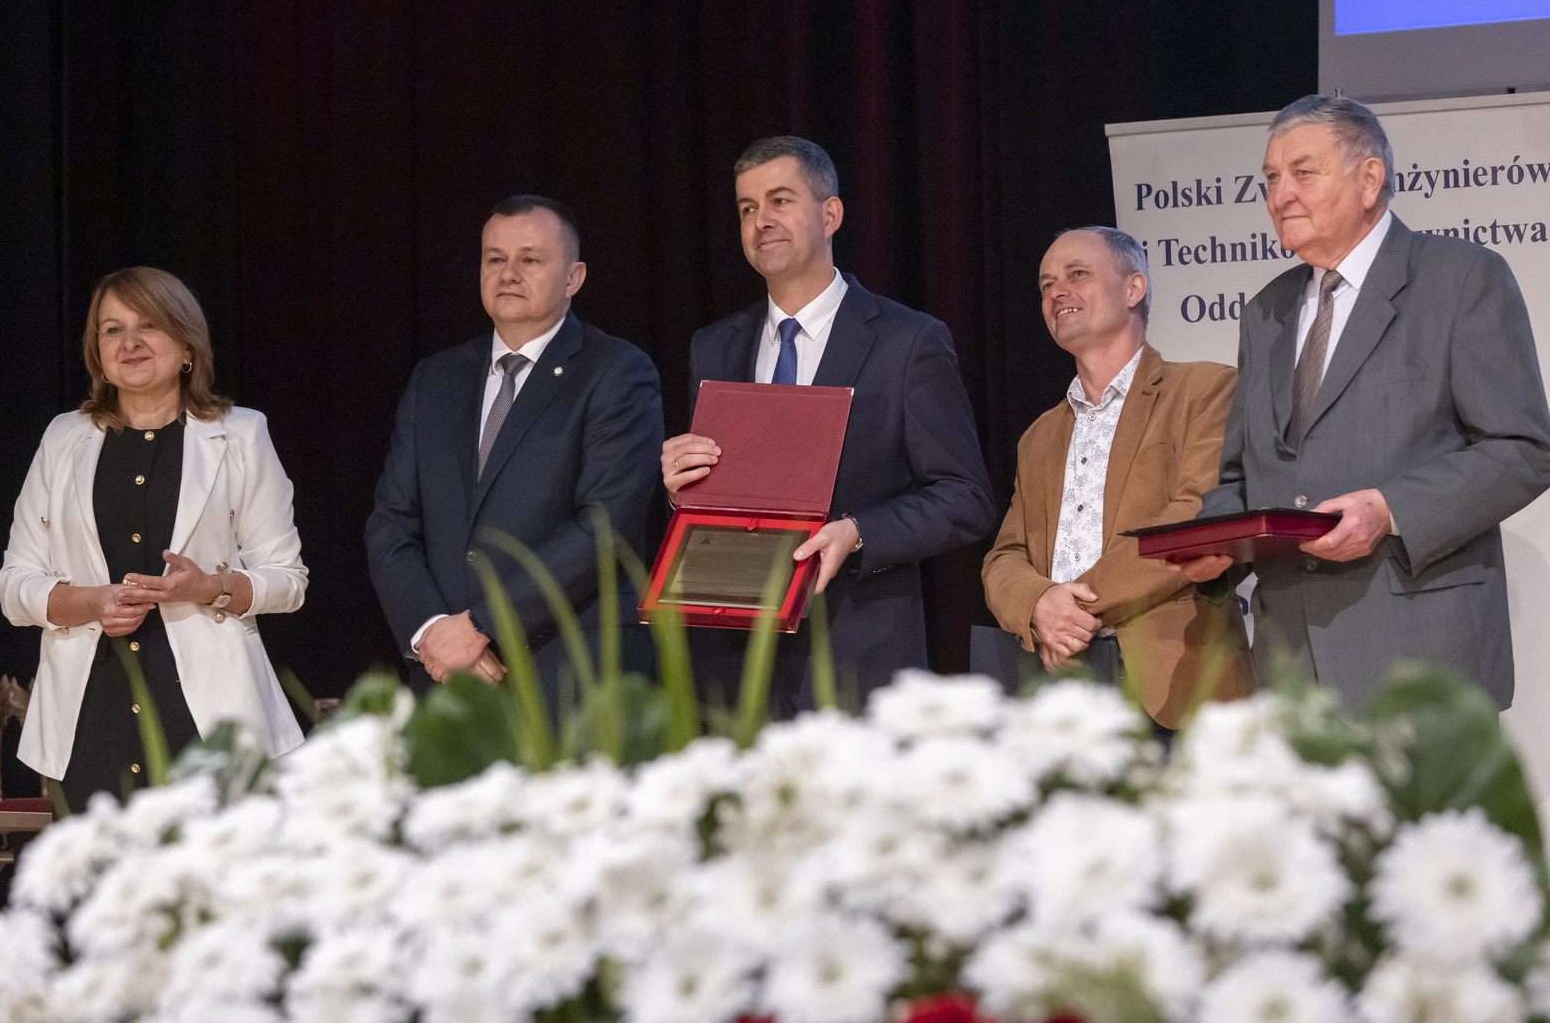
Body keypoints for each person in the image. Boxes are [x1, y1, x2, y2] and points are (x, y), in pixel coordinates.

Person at [1172, 95, 1550, 710]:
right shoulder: (1265, 312)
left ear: (1370, 179)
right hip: (1291, 664)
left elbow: (1523, 449)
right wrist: (1217, 543)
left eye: (1302, 172)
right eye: (1270, 178)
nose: (1280, 195)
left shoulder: (1461, 277)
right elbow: (1241, 476)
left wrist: (1389, 510)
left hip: (1420, 657)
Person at [661, 136, 996, 713]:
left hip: (856, 656)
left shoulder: (907, 340)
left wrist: (858, 532)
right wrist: (681, 489)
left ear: (831, 214)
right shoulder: (713, 347)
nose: (762, 221)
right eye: (747, 208)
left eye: (780, 200)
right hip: (735, 667)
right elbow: (719, 495)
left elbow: (965, 497)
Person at [0, 267, 307, 811]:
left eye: (150, 325)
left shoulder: (242, 434)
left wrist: (210, 587)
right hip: (89, 719)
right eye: (112, 330)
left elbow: (288, 581)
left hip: (210, 720)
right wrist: (91, 602)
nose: (130, 342)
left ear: (187, 346)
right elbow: (14, 585)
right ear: (97, 352)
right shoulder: (62, 438)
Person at [366, 195, 663, 703]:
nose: (508, 274)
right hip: (449, 680)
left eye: (530, 259)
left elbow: (604, 526)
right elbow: (391, 524)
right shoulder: (436, 378)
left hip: (570, 676)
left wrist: (481, 626)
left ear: (573, 278)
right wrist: (432, 631)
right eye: (495, 259)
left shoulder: (616, 371)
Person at [982, 227, 1251, 729]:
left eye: (1077, 274)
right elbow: (1005, 556)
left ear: (1133, 288)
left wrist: (1068, 608)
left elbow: (1196, 516)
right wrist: (1037, 603)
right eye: (1046, 285)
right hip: (1063, 693)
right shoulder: (1038, 436)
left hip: (1175, 685)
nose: (1057, 292)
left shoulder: (1204, 389)